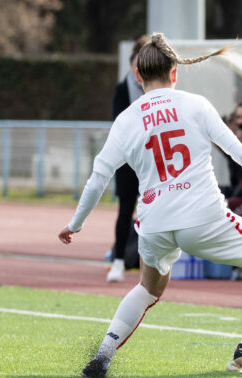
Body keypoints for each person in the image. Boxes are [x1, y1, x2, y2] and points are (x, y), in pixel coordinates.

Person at [58, 33, 242, 378]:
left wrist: (76, 224)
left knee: (147, 287)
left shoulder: (126, 119)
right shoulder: (196, 105)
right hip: (203, 218)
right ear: (175, 73)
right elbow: (240, 153)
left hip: (154, 222)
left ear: (138, 77)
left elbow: (99, 177)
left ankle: (102, 354)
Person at [107, 35, 148, 283]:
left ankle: (151, 263)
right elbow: (118, 123)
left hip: (154, 159)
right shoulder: (123, 89)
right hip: (128, 159)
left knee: (154, 210)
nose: (138, 69)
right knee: (125, 209)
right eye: (136, 64)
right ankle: (119, 261)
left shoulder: (163, 90)